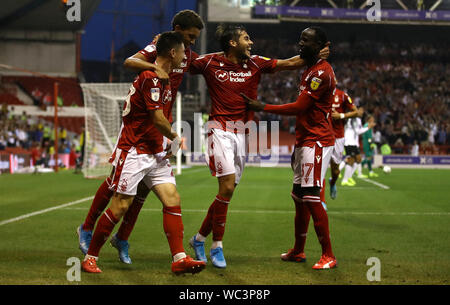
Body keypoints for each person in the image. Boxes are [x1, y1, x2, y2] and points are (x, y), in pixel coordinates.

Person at [77, 10, 205, 265]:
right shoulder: (157, 48)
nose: (191, 43)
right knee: (120, 192)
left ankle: (128, 240)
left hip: (158, 132)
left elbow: (207, 63)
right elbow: (130, 61)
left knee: (148, 194)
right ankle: (88, 230)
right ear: (177, 31)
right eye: (189, 37)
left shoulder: (187, 55)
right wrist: (155, 68)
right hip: (142, 132)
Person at [242, 26, 338, 270]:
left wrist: (263, 106)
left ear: (319, 46)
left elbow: (299, 107)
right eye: (300, 39)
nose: (300, 43)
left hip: (316, 141)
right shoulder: (309, 68)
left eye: (305, 41)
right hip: (304, 139)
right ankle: (298, 250)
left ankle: (328, 254)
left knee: (312, 197)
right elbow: (293, 62)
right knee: (298, 197)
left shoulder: (320, 74)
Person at [327, 86, 361, 200]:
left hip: (338, 137)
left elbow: (356, 112)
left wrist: (341, 115)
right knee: (318, 170)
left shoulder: (342, 95)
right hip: (322, 135)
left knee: (335, 171)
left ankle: (332, 183)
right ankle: (321, 201)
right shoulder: (318, 94)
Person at [340, 113, 375, 186]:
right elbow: (358, 131)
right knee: (351, 160)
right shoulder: (353, 120)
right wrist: (368, 127)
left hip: (353, 143)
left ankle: (348, 177)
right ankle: (345, 178)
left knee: (357, 160)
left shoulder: (356, 120)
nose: (361, 112)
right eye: (359, 110)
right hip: (349, 142)